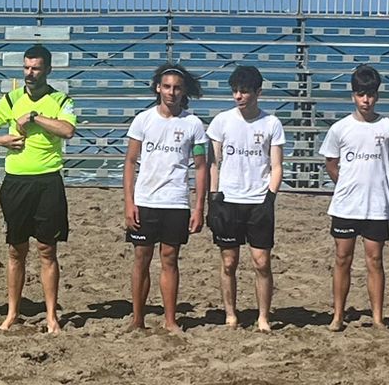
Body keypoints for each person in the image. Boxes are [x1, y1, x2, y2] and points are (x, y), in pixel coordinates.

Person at [0, 43, 79, 334]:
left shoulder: (60, 100)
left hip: (48, 181)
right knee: (15, 250)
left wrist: (34, 117)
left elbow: (68, 130)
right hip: (16, 182)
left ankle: (51, 316)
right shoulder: (9, 100)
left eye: (36, 68)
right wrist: (0, 141)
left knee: (47, 250)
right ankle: (12, 312)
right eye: (26, 68)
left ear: (48, 69)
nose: (30, 73)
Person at [122, 64, 208, 333]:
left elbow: (201, 166)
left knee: (170, 258)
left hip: (176, 200)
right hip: (146, 199)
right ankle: (138, 319)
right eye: (167, 86)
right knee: (141, 258)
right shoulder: (143, 119)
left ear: (184, 91)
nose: (171, 92)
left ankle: (170, 320)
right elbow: (130, 161)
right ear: (158, 88)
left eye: (177, 88)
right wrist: (129, 201)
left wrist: (199, 206)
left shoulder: (193, 124)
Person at [320, 64, 389, 331]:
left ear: (377, 95)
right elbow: (331, 162)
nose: (365, 100)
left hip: (376, 205)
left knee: (375, 260)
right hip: (346, 204)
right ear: (353, 95)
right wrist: (346, 183)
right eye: (360, 94)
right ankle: (338, 315)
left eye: (369, 94)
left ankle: (377, 317)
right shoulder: (340, 128)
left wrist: (376, 182)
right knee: (342, 258)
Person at [206, 63, 286, 331]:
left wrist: (269, 198)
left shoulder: (271, 123)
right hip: (228, 200)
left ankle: (263, 317)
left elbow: (276, 166)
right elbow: (213, 162)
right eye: (235, 91)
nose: (239, 96)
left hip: (258, 201)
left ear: (258, 92)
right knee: (229, 261)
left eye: (244, 91)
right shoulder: (222, 121)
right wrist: (213, 197)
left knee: (261, 262)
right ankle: (231, 314)